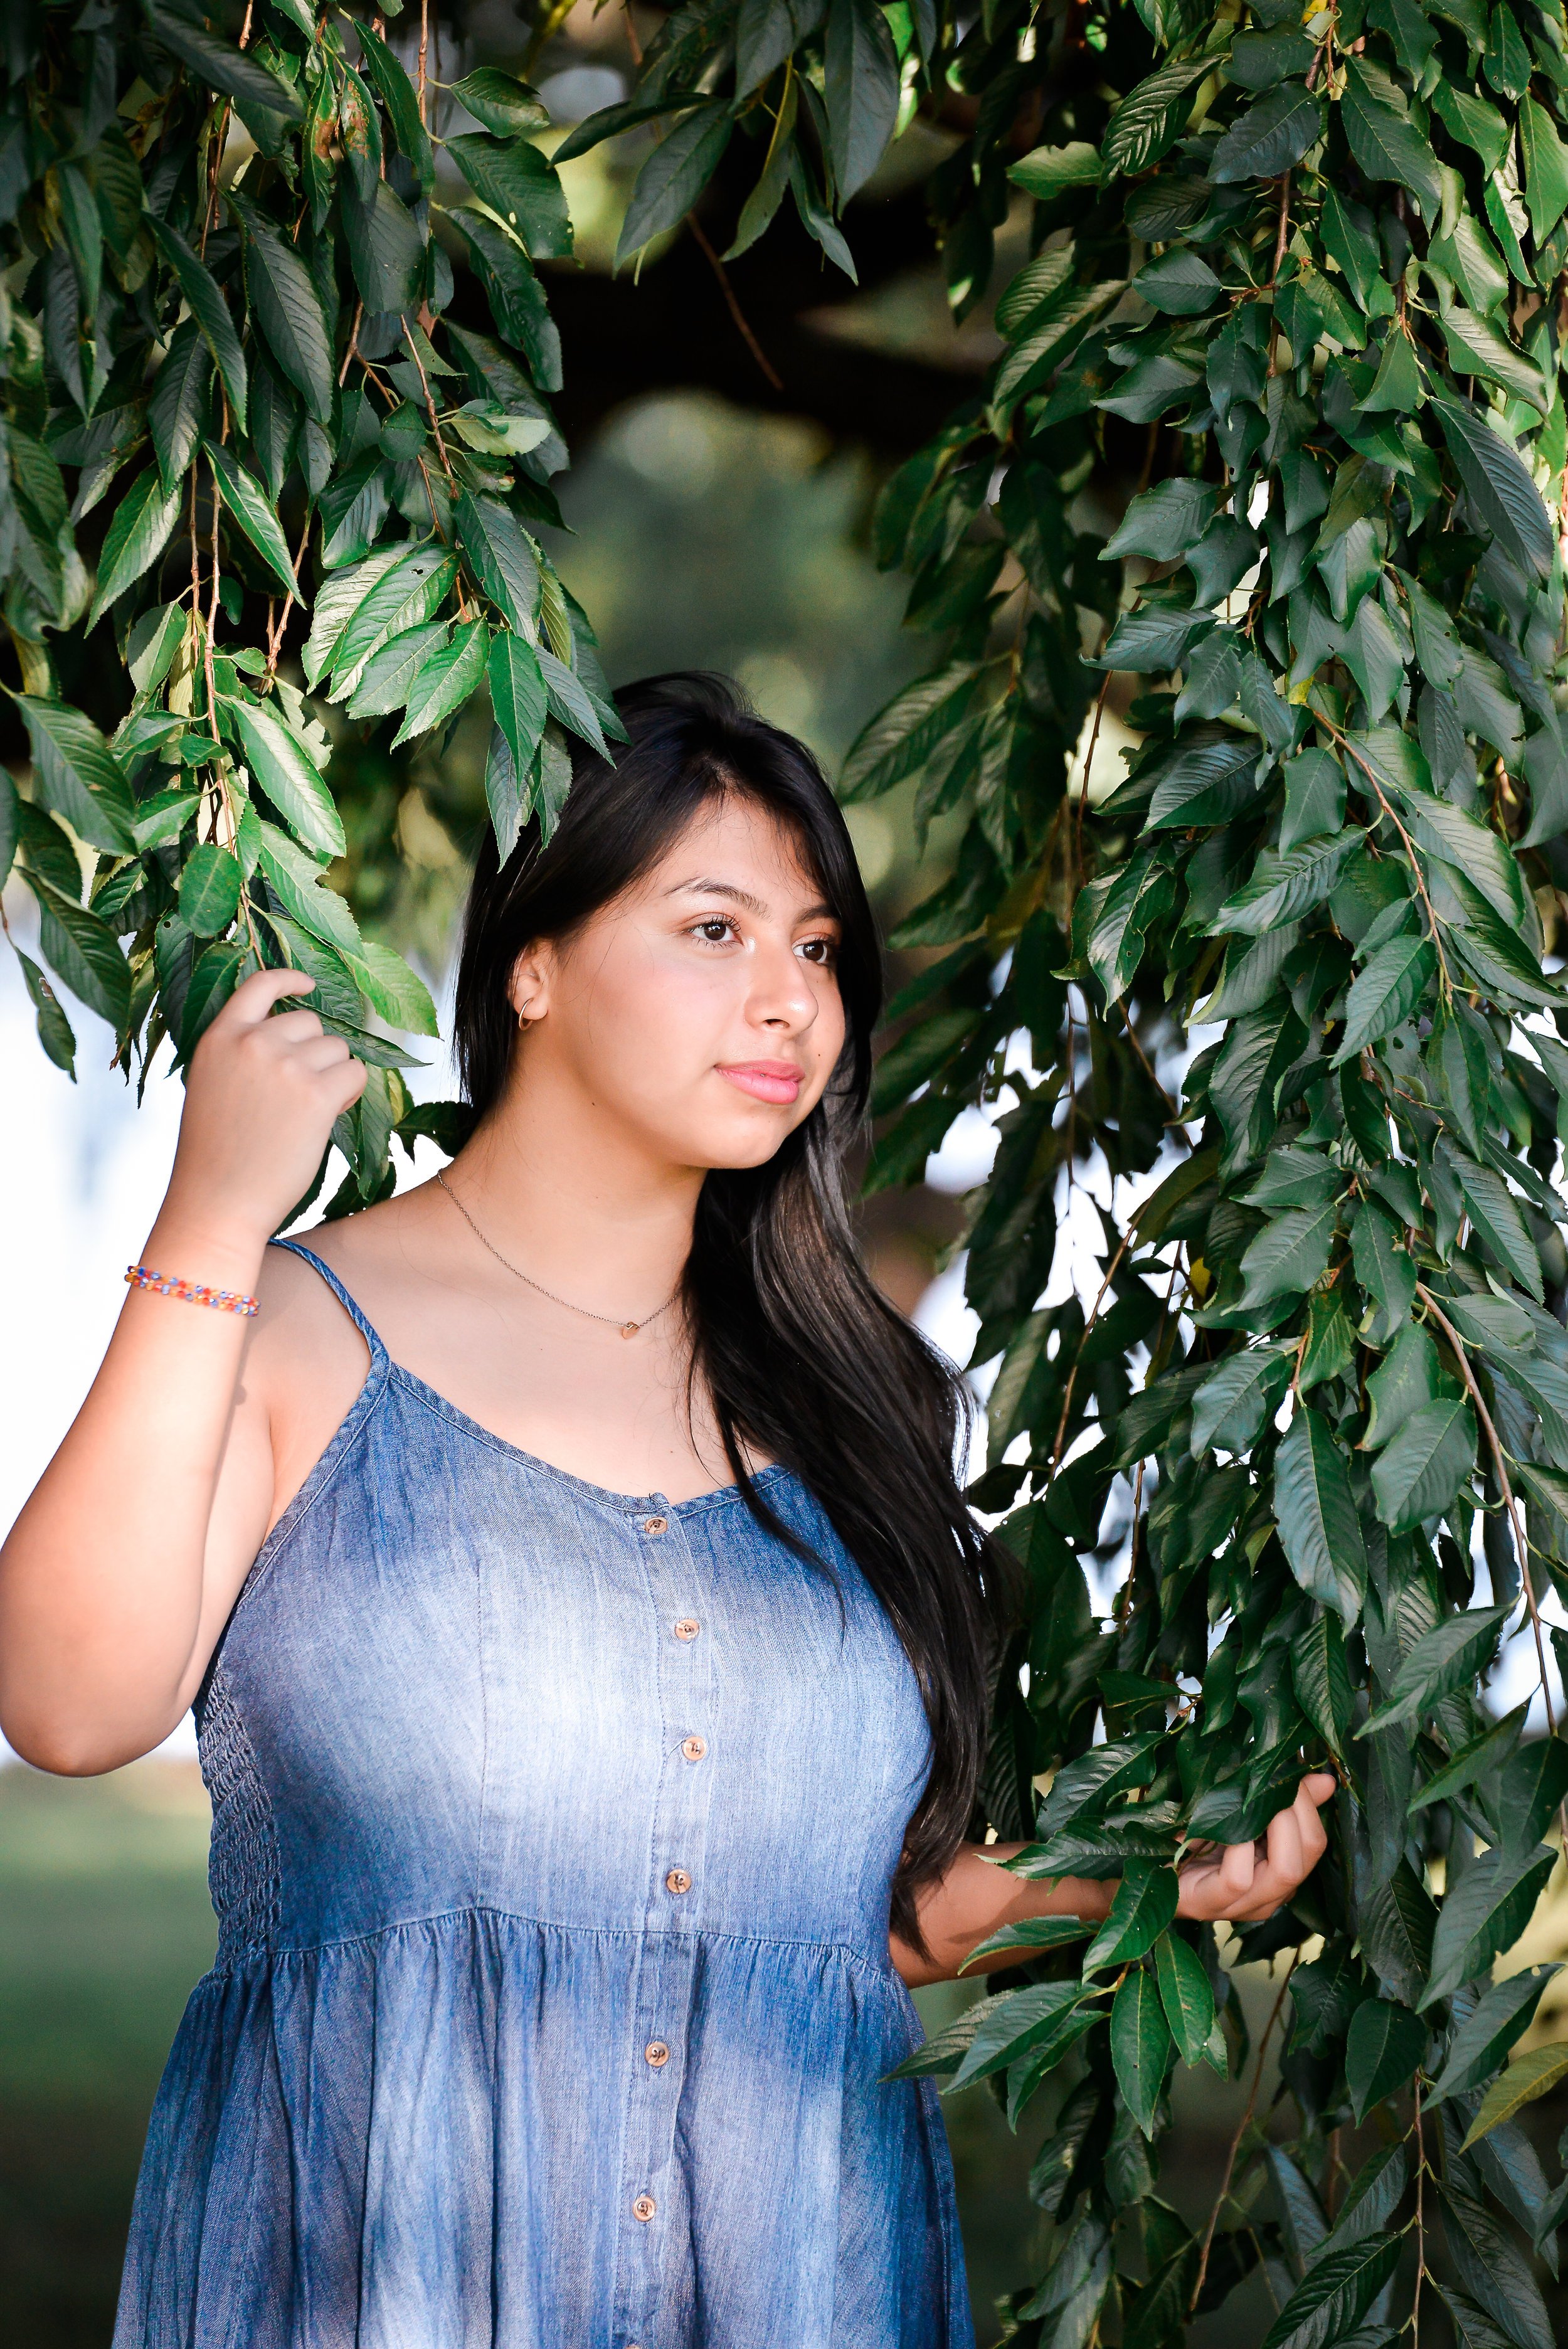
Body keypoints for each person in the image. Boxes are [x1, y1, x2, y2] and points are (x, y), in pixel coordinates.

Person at [0, 674, 1330, 2348]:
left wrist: (1135, 1883)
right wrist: (206, 1212)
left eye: (820, 946)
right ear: (532, 960)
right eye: (713, 930)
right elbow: (65, 1702)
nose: (789, 998)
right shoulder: (292, 1326)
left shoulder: (849, 1396)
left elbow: (829, 1913)